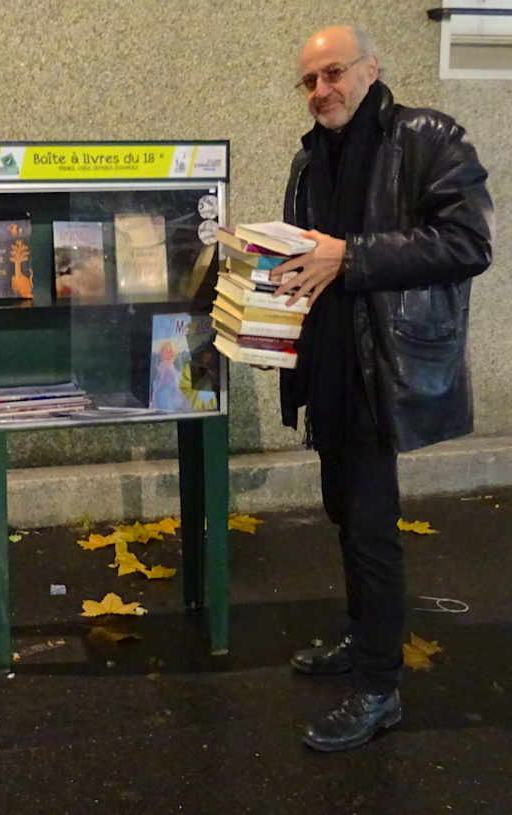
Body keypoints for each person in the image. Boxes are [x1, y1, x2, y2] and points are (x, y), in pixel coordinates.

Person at [269, 25, 494, 752]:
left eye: (332, 73)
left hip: (382, 368)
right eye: (308, 81)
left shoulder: (425, 135)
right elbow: (304, 260)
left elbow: (468, 243)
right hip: (329, 365)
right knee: (342, 511)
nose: (320, 90)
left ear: (370, 69)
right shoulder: (310, 160)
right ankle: (364, 636)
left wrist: (352, 255)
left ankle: (377, 688)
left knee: (370, 526)